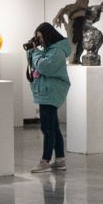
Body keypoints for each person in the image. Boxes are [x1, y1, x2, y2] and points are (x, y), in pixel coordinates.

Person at [26, 22, 71, 172]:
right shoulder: (49, 50)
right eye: (37, 38)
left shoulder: (57, 51)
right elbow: (37, 64)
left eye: (40, 37)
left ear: (48, 36)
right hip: (46, 91)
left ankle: (45, 161)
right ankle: (60, 160)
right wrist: (32, 50)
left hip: (51, 92)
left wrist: (35, 51)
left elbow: (45, 67)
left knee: (47, 128)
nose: (39, 41)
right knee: (54, 127)